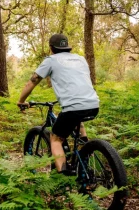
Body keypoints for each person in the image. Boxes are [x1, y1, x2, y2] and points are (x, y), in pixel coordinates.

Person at [17, 34, 99, 175]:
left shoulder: (51, 60)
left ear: (51, 48)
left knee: (55, 139)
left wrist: (21, 101)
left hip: (73, 108)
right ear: (67, 47)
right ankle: (86, 151)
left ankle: (64, 176)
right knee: (77, 120)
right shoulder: (81, 59)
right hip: (93, 104)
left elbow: (32, 82)